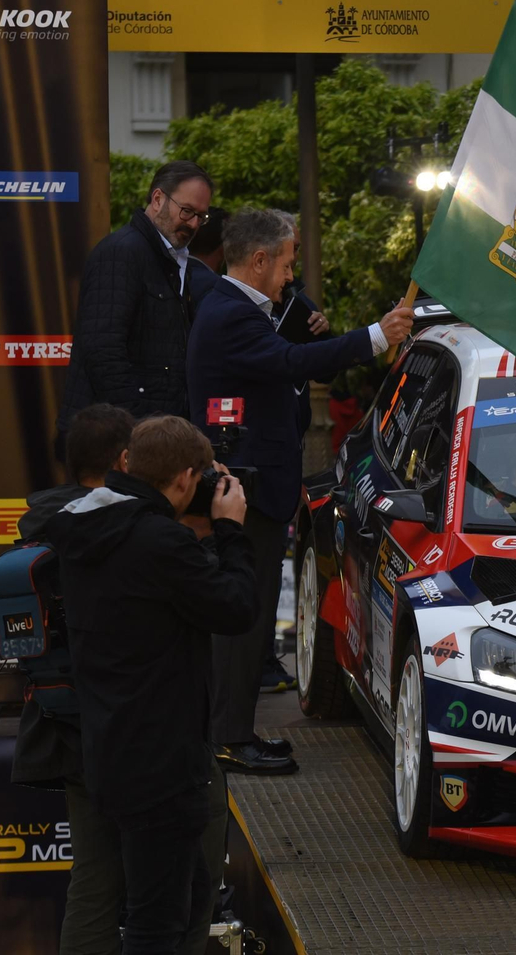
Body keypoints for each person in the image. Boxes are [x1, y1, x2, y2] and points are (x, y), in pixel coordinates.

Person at [187, 208, 412, 774]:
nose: (291, 276)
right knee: (243, 618)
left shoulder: (238, 309)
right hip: (249, 490)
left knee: (253, 614)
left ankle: (232, 731)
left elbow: (285, 353)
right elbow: (290, 362)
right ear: (259, 259)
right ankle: (227, 737)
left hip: (255, 485)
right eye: (287, 264)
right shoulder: (231, 315)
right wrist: (376, 336)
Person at [45, 416, 257, 955]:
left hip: (109, 744)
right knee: (156, 923)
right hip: (163, 760)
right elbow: (235, 608)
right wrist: (230, 529)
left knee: (157, 902)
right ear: (185, 478)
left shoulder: (82, 525)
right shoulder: (160, 541)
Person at [11, 405, 134, 955]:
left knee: (92, 877)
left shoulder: (40, 524)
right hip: (129, 726)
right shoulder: (117, 528)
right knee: (171, 878)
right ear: (124, 460)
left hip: (63, 723)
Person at [59, 162, 215, 443]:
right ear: (157, 199)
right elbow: (102, 350)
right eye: (187, 211)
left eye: (201, 217)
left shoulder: (175, 261)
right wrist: (143, 426)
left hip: (149, 435)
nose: (193, 224)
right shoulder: (122, 253)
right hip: (115, 440)